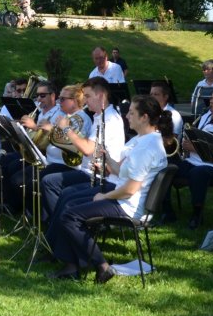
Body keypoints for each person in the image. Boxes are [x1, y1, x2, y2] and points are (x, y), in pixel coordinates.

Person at [47, 94, 169, 283]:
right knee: (70, 203)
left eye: (131, 112)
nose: (127, 116)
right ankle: (72, 264)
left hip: (127, 205)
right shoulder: (145, 140)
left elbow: (130, 188)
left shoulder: (146, 147)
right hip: (126, 199)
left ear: (144, 117)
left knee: (70, 215)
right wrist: (108, 158)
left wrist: (104, 196)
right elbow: (123, 172)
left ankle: (101, 266)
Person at [41, 77, 126, 221]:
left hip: (101, 176)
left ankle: (58, 223)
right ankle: (56, 224)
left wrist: (66, 128)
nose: (85, 101)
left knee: (50, 183)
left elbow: (87, 149)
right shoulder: (100, 116)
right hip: (91, 171)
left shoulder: (109, 119)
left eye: (87, 96)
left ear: (100, 96)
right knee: (51, 182)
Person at [170, 86, 213, 227]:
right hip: (191, 160)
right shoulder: (207, 115)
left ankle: (197, 214)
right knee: (168, 166)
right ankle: (165, 209)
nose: (211, 102)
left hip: (212, 166)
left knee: (198, 173)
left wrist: (193, 147)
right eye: (210, 99)